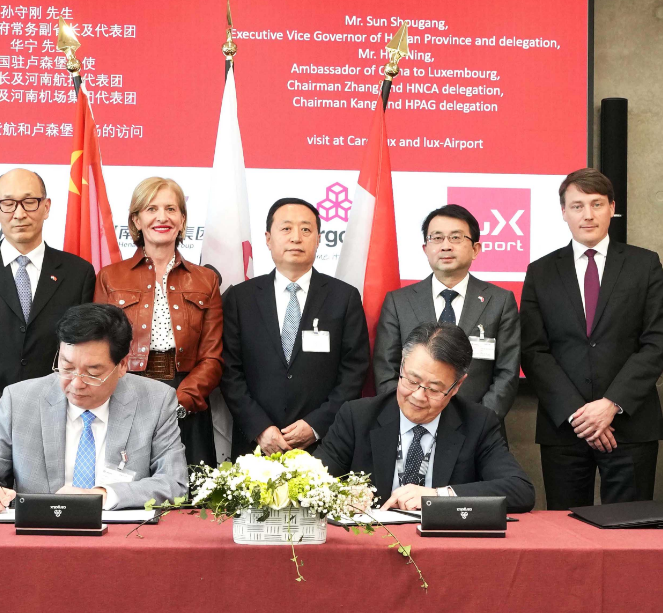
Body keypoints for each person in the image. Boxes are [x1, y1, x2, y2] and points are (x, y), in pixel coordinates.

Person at [520, 169, 663, 509]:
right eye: (577, 206)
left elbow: (657, 342)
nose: (587, 214)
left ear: (612, 208)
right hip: (565, 428)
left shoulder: (644, 265)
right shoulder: (540, 272)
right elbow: (533, 350)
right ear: (563, 212)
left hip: (630, 425)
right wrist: (579, 414)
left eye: (597, 204)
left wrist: (611, 404)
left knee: (629, 529)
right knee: (567, 532)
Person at [0, 303, 187, 512]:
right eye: (67, 367)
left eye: (93, 373)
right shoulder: (19, 400)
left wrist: (104, 496)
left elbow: (175, 484)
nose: (76, 384)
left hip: (121, 539)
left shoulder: (156, 401)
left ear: (123, 365)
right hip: (40, 538)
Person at [0, 168, 97, 466]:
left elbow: (80, 349)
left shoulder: (78, 272)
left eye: (30, 202)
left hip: (54, 420)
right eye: (8, 203)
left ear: (46, 207)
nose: (19, 213)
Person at [317, 322, 534, 512]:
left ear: (456, 386)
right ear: (402, 365)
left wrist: (438, 496)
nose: (418, 396)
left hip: (444, 542)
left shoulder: (478, 423)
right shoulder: (357, 417)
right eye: (412, 381)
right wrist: (342, 495)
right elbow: (311, 481)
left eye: (434, 389)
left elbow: (520, 490)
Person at [220, 197, 369, 455]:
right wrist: (260, 427)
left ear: (319, 239)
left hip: (324, 444)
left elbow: (354, 371)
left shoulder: (344, 298)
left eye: (306, 229)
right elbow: (228, 370)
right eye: (286, 228)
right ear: (268, 239)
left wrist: (316, 426)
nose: (296, 238)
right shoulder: (240, 298)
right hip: (255, 445)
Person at [94, 177, 222, 467]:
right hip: (125, 397)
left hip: (186, 401)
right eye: (151, 209)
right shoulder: (109, 277)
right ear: (136, 220)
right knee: (125, 487)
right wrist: (125, 397)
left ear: (182, 219)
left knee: (190, 491)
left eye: (171, 209)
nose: (162, 217)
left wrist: (180, 402)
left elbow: (212, 357)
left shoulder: (207, 279)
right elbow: (99, 350)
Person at [373, 204, 519, 417]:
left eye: (456, 237)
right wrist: (409, 417)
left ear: (475, 249)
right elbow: (386, 370)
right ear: (425, 249)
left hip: (478, 426)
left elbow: (507, 372)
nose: (445, 246)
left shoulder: (500, 301)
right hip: (411, 423)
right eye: (437, 238)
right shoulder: (398, 302)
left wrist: (479, 423)